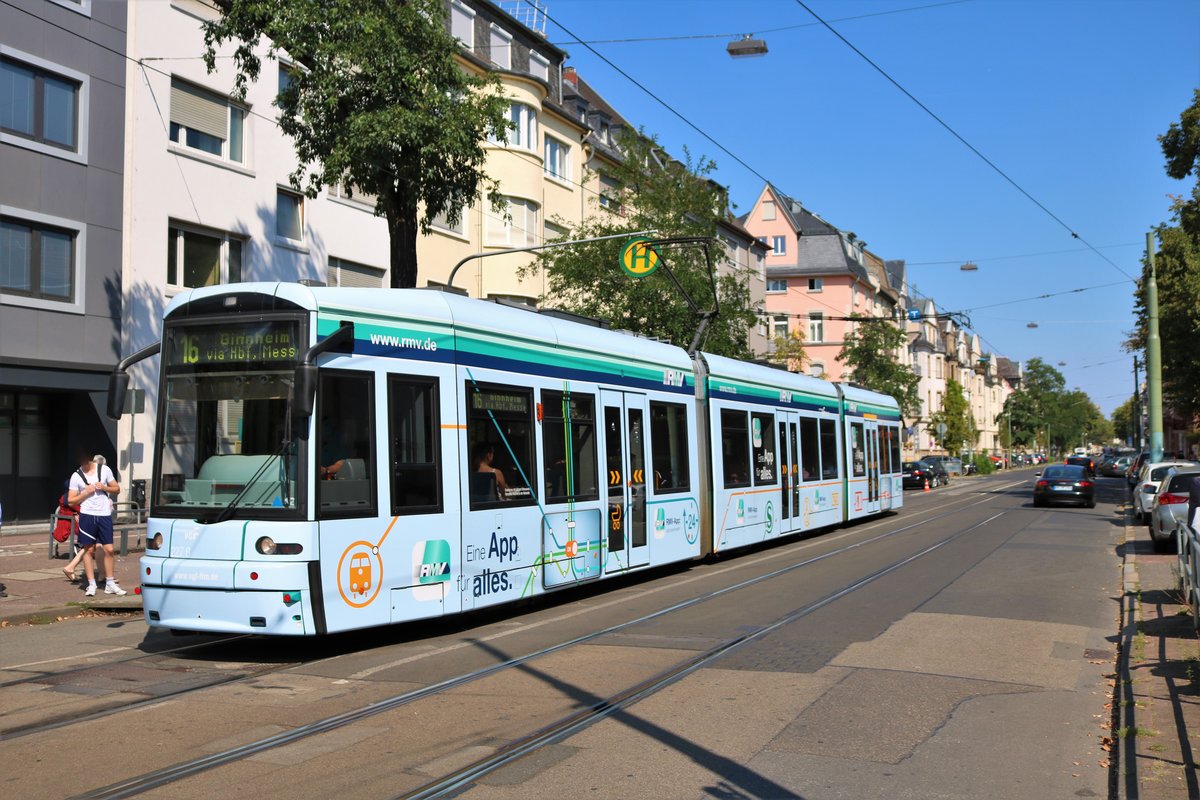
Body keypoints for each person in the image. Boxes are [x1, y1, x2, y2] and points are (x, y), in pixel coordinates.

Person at [67, 450, 126, 597]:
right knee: (88, 550)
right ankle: (91, 584)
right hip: (87, 515)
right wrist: (86, 492)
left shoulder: (104, 469)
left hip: (104, 515)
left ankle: (110, 583)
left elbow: (117, 489)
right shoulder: (76, 476)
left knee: (109, 550)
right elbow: (71, 500)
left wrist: (104, 487)